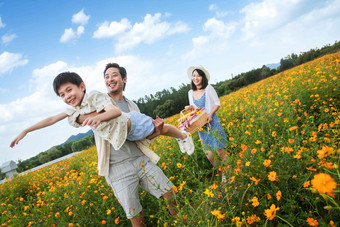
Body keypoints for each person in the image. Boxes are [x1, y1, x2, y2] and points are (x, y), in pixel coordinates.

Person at [69, 63, 179, 227]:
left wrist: (155, 132)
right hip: (117, 168)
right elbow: (77, 116)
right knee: (136, 216)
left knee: (171, 195)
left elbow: (139, 136)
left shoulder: (132, 106)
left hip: (140, 158)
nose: (109, 79)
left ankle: (183, 222)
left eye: (114, 75)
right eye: (106, 76)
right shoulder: (99, 103)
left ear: (124, 78)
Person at [10, 72, 195, 155]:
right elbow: (51, 119)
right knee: (159, 131)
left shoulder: (93, 96)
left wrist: (97, 117)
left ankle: (183, 136)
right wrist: (26, 130)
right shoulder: (74, 110)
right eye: (62, 95)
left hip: (133, 123)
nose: (67, 96)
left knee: (160, 129)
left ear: (81, 86)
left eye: (69, 90)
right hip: (128, 135)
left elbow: (114, 111)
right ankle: (181, 136)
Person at [185, 65, 228, 183]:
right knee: (210, 155)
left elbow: (217, 103)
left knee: (220, 152)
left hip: (213, 124)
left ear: (202, 77)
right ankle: (223, 172)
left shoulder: (209, 88)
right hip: (202, 128)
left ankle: (231, 171)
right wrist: (190, 108)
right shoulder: (190, 93)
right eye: (194, 76)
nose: (196, 78)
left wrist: (210, 114)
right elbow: (195, 109)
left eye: (198, 75)